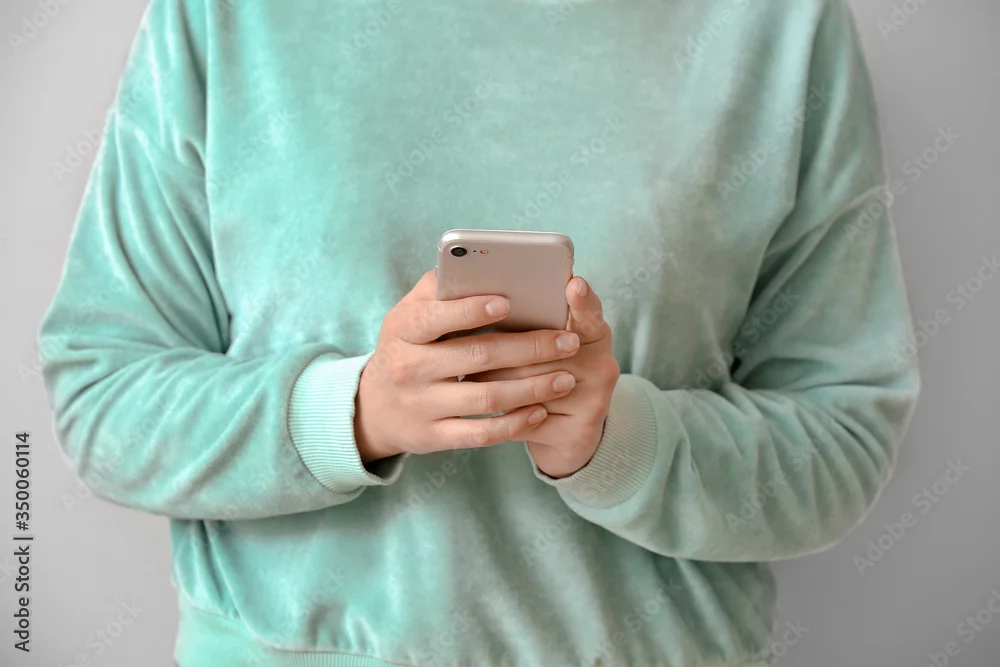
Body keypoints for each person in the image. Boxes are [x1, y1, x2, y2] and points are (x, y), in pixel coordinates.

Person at [39, 0, 921, 665]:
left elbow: (843, 432)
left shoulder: (779, 24)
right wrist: (354, 413)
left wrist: (618, 444)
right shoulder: (222, 16)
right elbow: (103, 394)